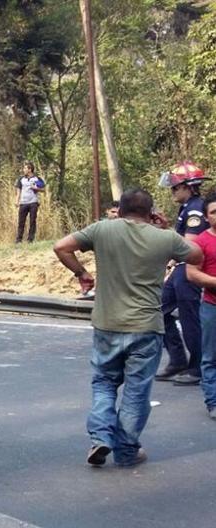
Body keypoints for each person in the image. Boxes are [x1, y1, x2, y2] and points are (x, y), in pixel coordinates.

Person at [53, 188, 202, 467]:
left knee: (104, 383)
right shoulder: (165, 238)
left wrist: (82, 273)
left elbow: (61, 246)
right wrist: (166, 228)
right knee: (136, 391)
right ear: (150, 212)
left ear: (119, 210)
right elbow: (195, 255)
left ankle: (100, 437)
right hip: (147, 327)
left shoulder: (102, 230)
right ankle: (127, 450)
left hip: (107, 323)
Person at [155, 162, 211, 386]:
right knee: (159, 310)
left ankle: (197, 367)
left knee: (190, 319)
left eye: (176, 187)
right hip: (180, 269)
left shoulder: (196, 209)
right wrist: (167, 229)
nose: (173, 191)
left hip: (188, 270)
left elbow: (189, 247)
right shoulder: (187, 207)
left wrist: (165, 238)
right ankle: (178, 360)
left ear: (189, 187)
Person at [185, 193, 216, 421]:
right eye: (213, 212)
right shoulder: (200, 242)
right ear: (206, 217)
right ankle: (213, 401)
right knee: (211, 357)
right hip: (211, 306)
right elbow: (192, 273)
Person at [15, 161, 45, 243]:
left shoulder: (37, 179)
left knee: (32, 221)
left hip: (33, 202)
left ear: (30, 169)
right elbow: (18, 191)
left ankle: (30, 239)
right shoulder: (21, 179)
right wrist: (16, 201)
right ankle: (18, 240)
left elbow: (43, 189)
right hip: (23, 203)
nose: (23, 170)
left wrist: (36, 188)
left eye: (25, 168)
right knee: (21, 222)